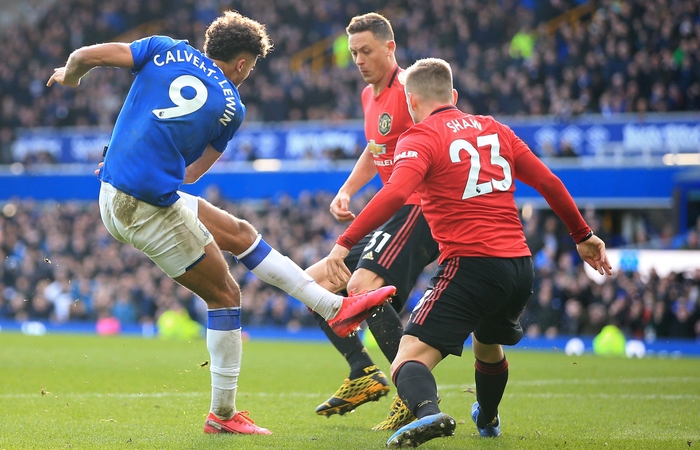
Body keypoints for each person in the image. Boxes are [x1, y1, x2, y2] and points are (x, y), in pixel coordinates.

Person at [46, 11, 395, 436]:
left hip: (116, 191)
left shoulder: (164, 48)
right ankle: (223, 415)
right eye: (252, 67)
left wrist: (70, 77)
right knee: (226, 295)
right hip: (145, 206)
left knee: (241, 233)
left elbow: (85, 55)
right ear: (243, 63)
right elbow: (192, 174)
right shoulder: (231, 107)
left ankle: (332, 308)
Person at [324, 58, 613, 447]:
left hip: (470, 265)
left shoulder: (420, 137)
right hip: (519, 266)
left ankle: (428, 413)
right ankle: (488, 418)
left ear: (411, 101)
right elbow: (548, 181)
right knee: (488, 344)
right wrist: (583, 235)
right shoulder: (496, 129)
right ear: (454, 96)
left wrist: (344, 242)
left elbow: (394, 193)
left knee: (407, 357)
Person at [303, 12, 441, 430]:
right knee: (312, 285)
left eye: (366, 51)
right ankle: (362, 371)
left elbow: (445, 134)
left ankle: (412, 395)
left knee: (362, 286)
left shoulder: (410, 90)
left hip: (419, 208)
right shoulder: (369, 97)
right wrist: (347, 190)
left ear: (389, 47)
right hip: (392, 213)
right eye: (353, 53)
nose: (359, 60)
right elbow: (374, 147)